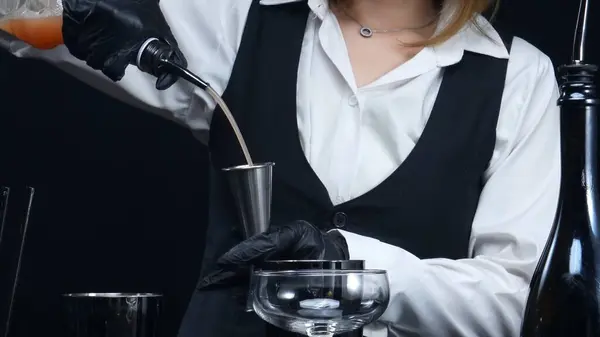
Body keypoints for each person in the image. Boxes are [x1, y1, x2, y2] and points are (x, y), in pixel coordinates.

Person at [2, 0, 561, 336]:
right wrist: (74, 13)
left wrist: (351, 267)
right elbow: (22, 20)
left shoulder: (518, 77)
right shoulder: (242, 21)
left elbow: (519, 303)